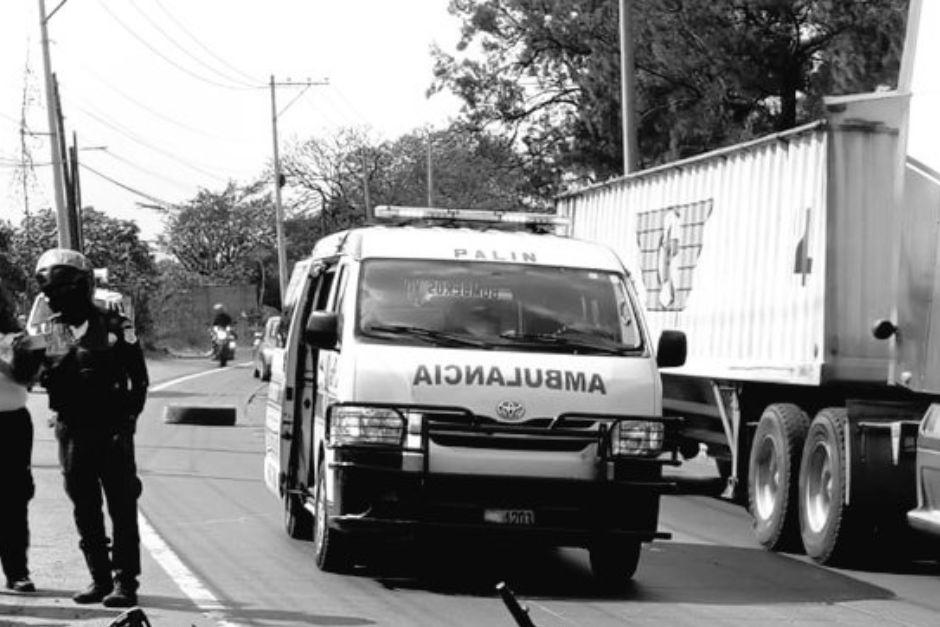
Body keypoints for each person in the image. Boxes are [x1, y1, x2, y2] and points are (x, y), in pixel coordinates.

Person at [35, 249, 149, 608]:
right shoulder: (55, 329)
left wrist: (127, 422)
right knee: (85, 507)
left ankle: (125, 582)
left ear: (79, 288)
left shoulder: (115, 326)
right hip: (73, 431)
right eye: (49, 293)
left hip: (112, 430)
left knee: (121, 506)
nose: (53, 299)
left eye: (59, 291)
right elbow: (52, 376)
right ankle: (99, 578)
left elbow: (139, 381)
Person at [0, 281, 43, 593]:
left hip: (11, 423)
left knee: (13, 502)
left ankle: (17, 572)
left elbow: (26, 378)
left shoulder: (16, 338)